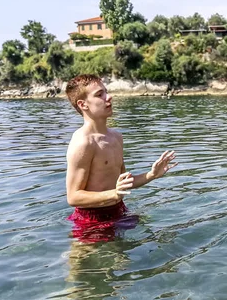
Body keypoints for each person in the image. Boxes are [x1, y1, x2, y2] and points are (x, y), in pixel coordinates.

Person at [65, 74, 177, 241]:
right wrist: (114, 194)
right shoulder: (83, 143)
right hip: (91, 220)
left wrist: (151, 175)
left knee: (127, 259)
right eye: (99, 94)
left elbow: (122, 185)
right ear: (83, 104)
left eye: (106, 92)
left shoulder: (116, 137)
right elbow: (73, 197)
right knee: (84, 267)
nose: (108, 97)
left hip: (119, 210)